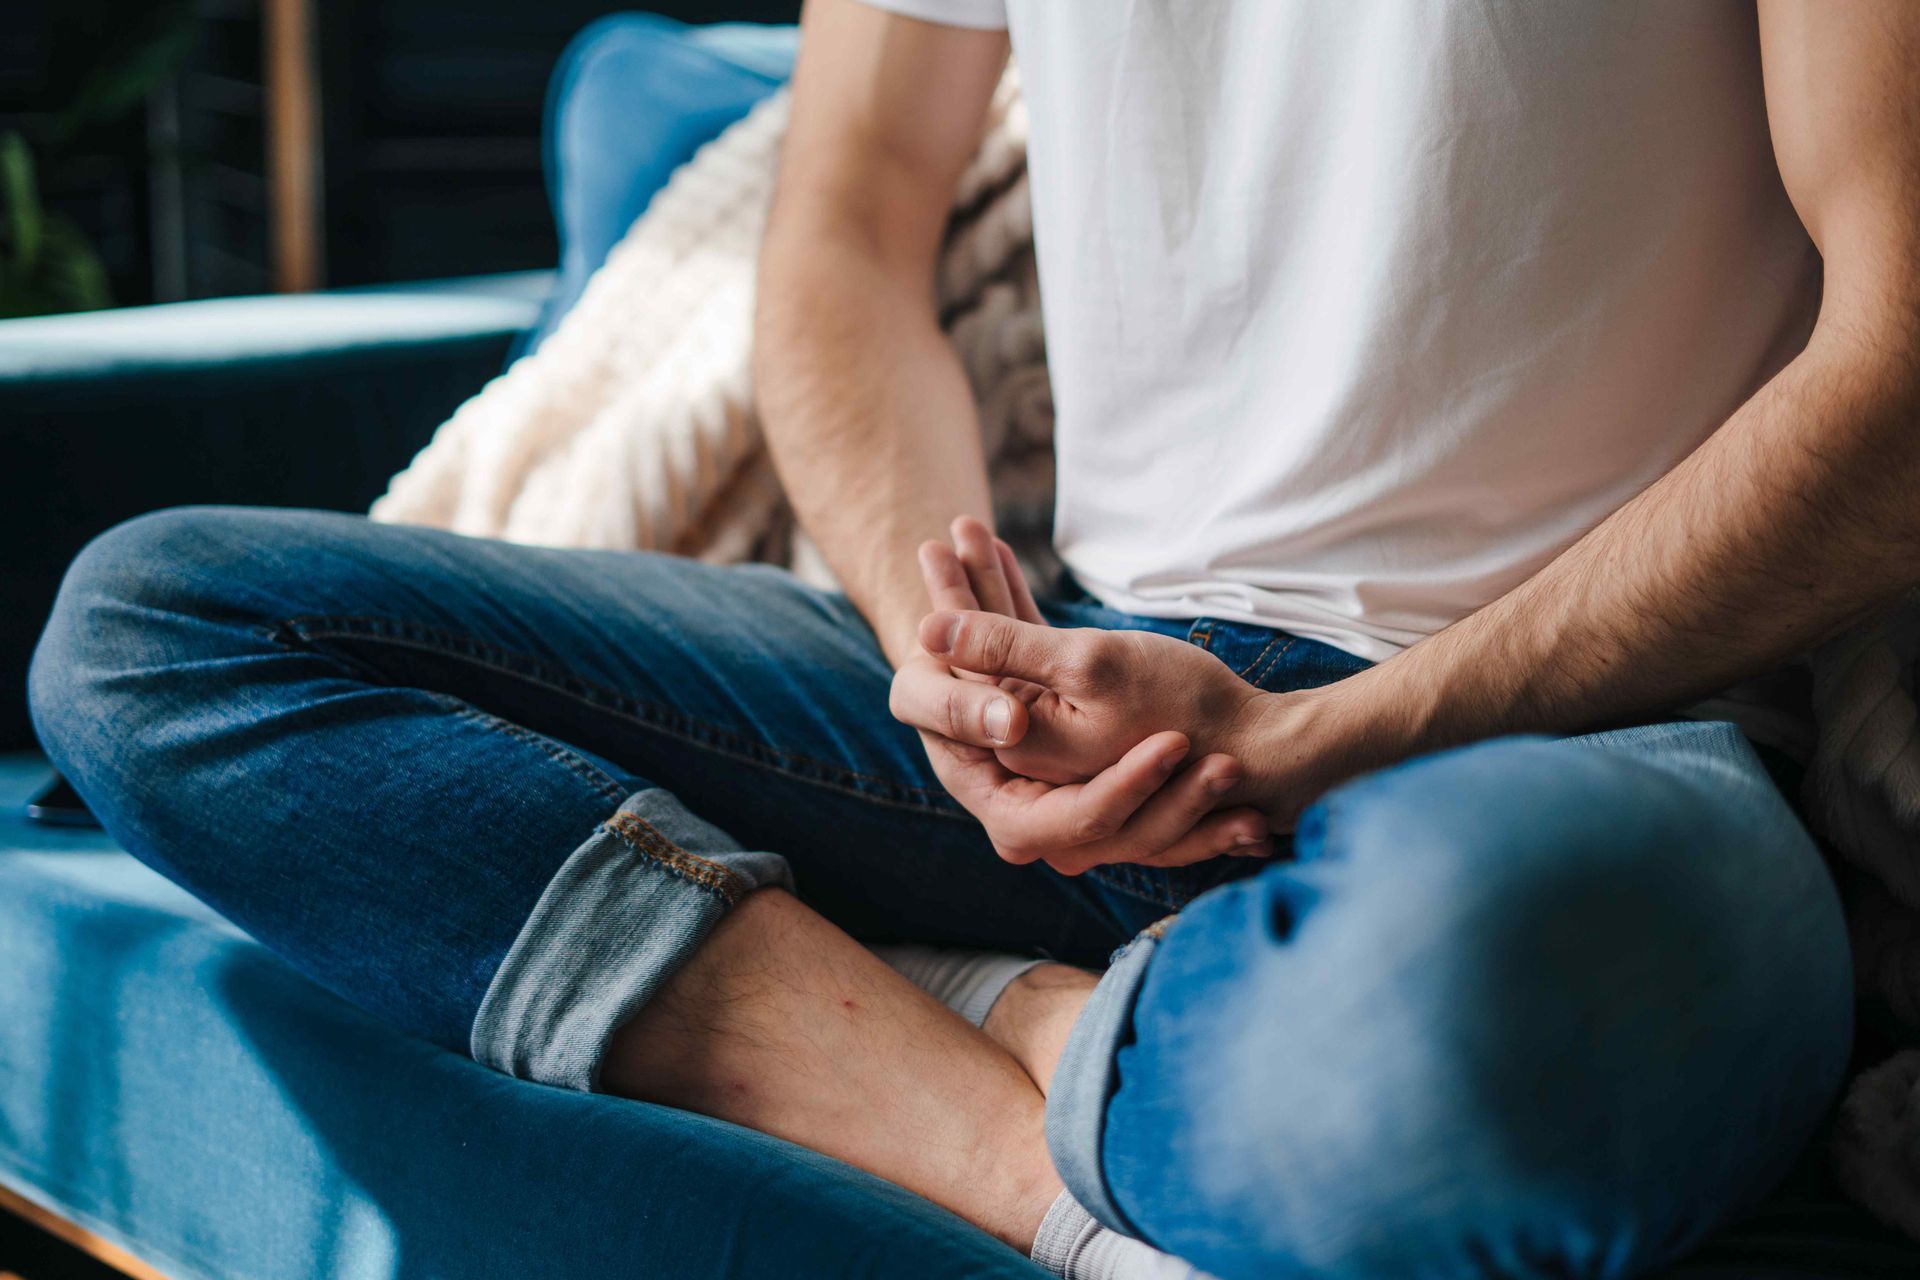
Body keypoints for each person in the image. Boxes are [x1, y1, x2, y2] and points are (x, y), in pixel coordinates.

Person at [28, 2, 1920, 1277]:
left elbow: (1899, 379)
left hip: (1576, 732)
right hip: (1078, 693)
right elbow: (843, 229)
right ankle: (1025, 1122)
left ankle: (910, 986)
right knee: (160, 629)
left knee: (1468, 1030)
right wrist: (938, 649)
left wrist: (1311, 743)